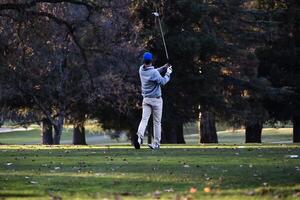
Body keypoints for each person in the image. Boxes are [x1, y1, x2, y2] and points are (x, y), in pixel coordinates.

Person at [133, 52, 173, 149]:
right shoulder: (154, 73)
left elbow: (154, 72)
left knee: (144, 120)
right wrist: (168, 72)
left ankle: (139, 138)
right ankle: (156, 143)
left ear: (144, 61)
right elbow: (163, 81)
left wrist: (163, 67)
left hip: (146, 99)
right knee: (157, 122)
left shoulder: (141, 70)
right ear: (151, 60)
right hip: (156, 100)